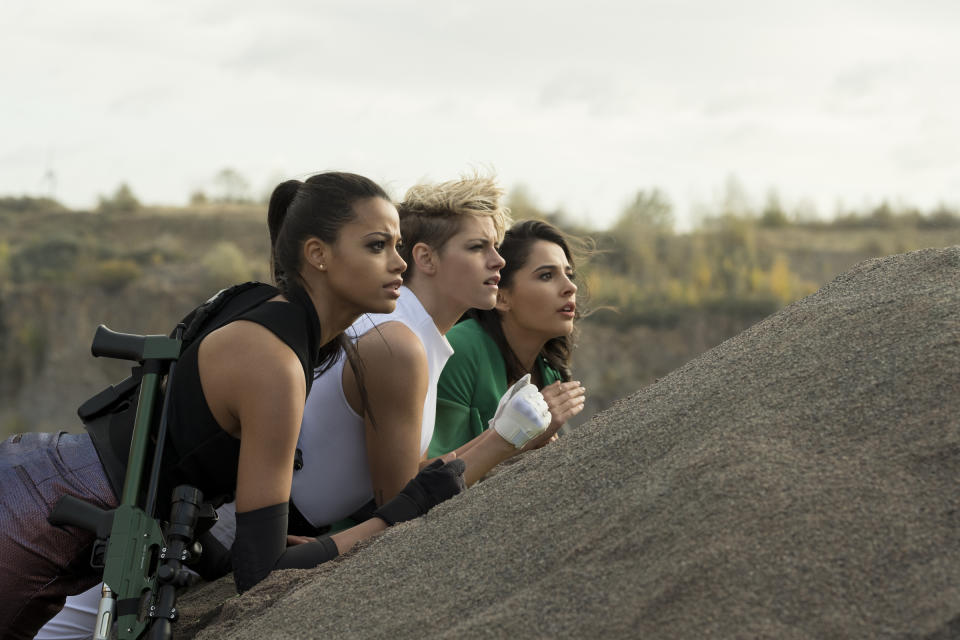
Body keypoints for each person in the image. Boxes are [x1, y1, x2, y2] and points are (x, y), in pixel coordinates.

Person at [0, 172, 466, 639]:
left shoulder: (266, 310)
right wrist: (401, 511)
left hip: (48, 492)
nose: (399, 264)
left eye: (398, 246)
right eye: (376, 246)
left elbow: (185, 466)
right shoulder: (276, 362)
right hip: (39, 517)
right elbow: (261, 573)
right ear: (318, 254)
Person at [289, 173, 556, 536]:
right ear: (426, 258)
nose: (499, 261)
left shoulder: (405, 329)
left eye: (496, 247)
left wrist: (500, 432)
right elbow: (401, 504)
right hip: (238, 542)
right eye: (478, 247)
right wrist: (504, 439)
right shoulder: (398, 343)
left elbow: (412, 472)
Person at [429, 219, 587, 458]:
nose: (570, 287)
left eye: (569, 275)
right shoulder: (459, 349)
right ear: (501, 298)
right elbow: (428, 480)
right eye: (546, 275)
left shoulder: (548, 372)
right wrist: (522, 435)